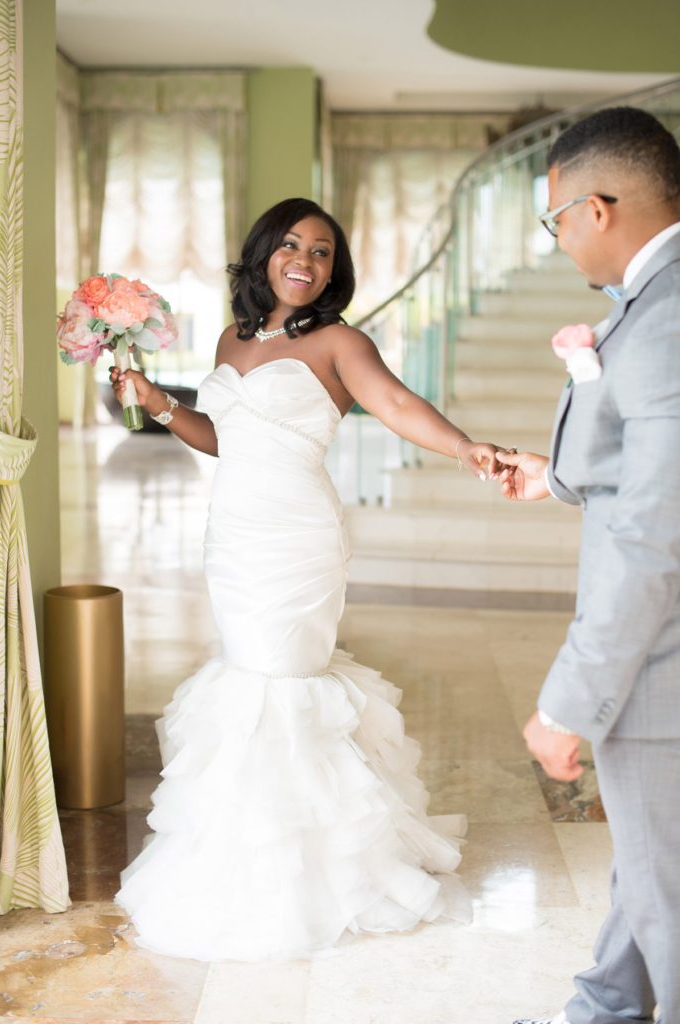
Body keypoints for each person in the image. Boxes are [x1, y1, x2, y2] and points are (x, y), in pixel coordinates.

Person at [111, 197, 500, 961]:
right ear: (262, 255)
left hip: (297, 539)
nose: (304, 260)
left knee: (281, 684)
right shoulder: (233, 337)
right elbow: (226, 437)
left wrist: (463, 448)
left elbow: (390, 401)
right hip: (232, 540)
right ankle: (247, 858)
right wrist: (160, 405)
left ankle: (320, 875)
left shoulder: (337, 341)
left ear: (333, 271)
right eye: (290, 244)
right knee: (248, 682)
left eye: (321, 251)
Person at [498, 108, 680, 1024]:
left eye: (555, 219)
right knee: (653, 864)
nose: (558, 238)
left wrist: (572, 699)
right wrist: (559, 475)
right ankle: (606, 1005)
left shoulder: (666, 316)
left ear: (597, 207)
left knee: (666, 891)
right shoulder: (653, 303)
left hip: (661, 666)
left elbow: (655, 535)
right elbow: (648, 476)